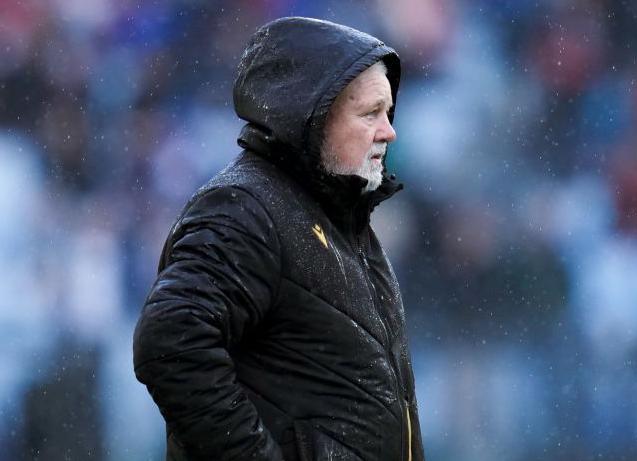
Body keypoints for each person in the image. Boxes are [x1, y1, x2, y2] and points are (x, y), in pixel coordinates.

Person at [133, 17, 424, 461]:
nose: (389, 131)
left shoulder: (341, 215)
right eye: (369, 113)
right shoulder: (243, 208)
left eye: (388, 112)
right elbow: (171, 344)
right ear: (311, 115)